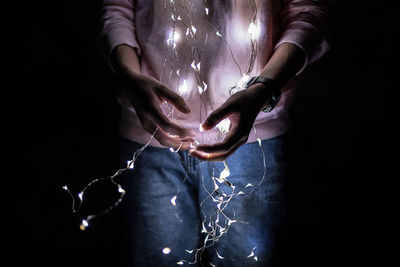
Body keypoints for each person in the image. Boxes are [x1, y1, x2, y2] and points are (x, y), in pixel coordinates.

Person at [99, 0, 331, 266]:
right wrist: (128, 75)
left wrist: (264, 87)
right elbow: (117, 9)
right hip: (150, 139)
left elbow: (308, 14)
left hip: (254, 139)